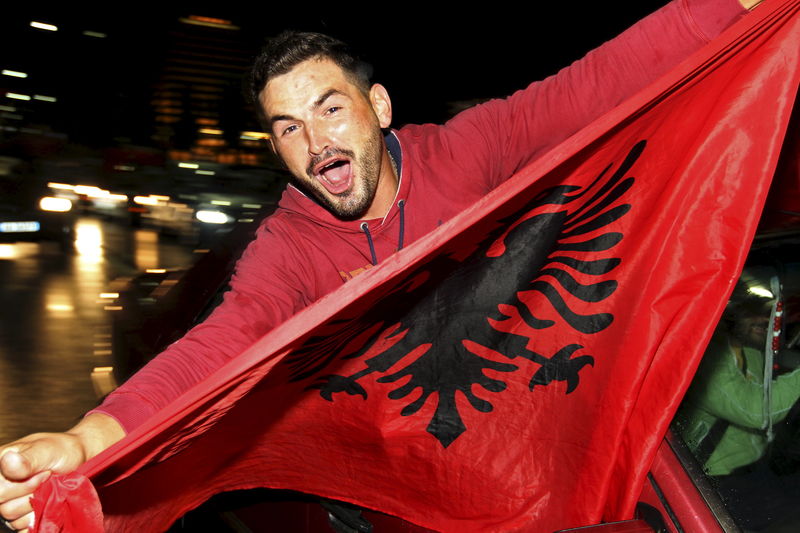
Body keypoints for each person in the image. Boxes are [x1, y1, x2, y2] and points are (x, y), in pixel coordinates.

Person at [0, 1, 762, 530]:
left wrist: (735, 5)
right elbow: (222, 342)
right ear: (276, 150)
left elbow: (596, 83)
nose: (317, 143)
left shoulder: (467, 151)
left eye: (331, 108)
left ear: (381, 107)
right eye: (289, 128)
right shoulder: (290, 243)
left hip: (533, 459)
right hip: (395, 494)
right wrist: (88, 438)